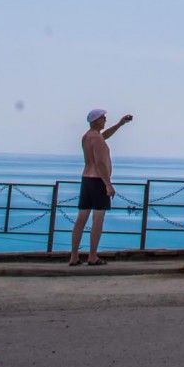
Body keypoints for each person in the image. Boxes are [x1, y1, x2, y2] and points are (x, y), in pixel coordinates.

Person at [70, 109, 133, 266]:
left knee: (81, 219)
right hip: (98, 181)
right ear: (96, 120)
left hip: (86, 179)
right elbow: (100, 163)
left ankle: (74, 256)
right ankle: (92, 256)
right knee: (97, 220)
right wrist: (108, 184)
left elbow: (104, 136)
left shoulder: (88, 136)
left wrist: (120, 124)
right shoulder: (96, 138)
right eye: (103, 118)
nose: (105, 120)